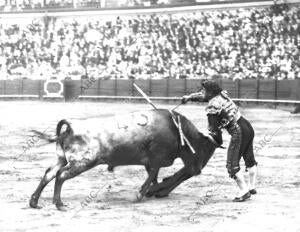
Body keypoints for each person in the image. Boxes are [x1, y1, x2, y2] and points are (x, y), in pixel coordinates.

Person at [181, 80, 258, 202]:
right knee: (249, 157)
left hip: (238, 132)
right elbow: (205, 97)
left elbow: (215, 131)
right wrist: (189, 97)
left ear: (210, 92)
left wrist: (210, 140)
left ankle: (244, 191)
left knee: (232, 164)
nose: (202, 92)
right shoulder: (221, 94)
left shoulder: (212, 106)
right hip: (247, 126)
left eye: (204, 90)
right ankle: (252, 186)